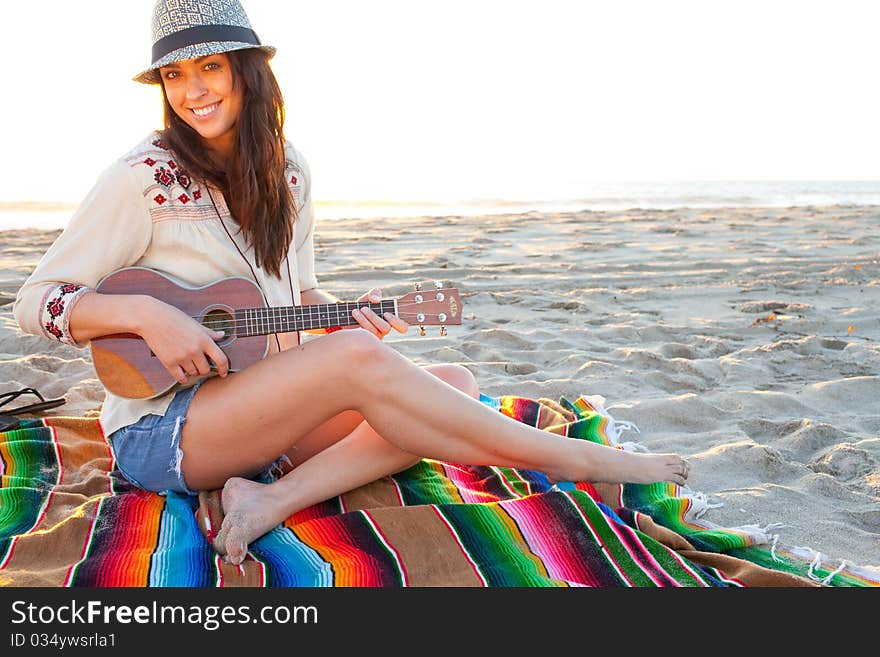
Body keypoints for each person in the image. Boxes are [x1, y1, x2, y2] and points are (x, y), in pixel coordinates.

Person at [13, 0, 689, 566]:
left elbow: (297, 298)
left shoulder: (290, 173)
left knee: (451, 384)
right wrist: (146, 315)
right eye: (176, 74)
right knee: (373, 369)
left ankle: (271, 498)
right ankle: (578, 460)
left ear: (246, 72)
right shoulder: (140, 178)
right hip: (168, 427)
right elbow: (33, 303)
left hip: (265, 415)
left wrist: (339, 315)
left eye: (210, 67)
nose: (194, 91)